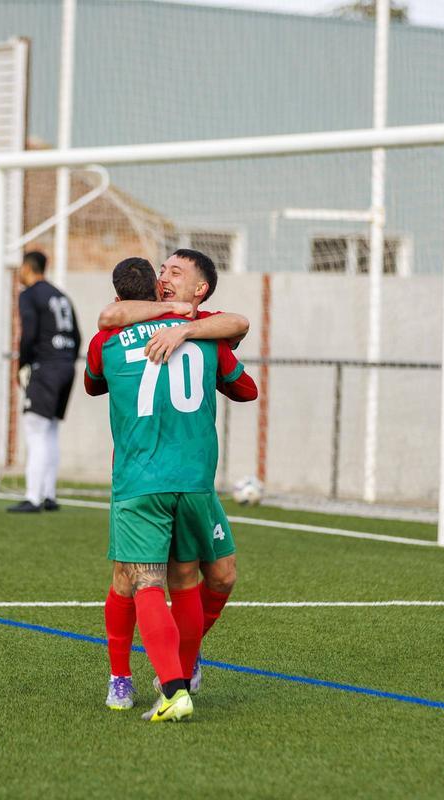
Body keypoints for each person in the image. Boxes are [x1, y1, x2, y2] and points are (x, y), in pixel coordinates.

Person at [84, 257, 257, 722]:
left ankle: (174, 680)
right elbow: (247, 389)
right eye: (162, 269)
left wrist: (185, 328)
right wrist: (186, 327)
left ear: (200, 289)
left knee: (158, 579)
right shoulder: (209, 340)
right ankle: (132, 676)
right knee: (166, 579)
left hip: (145, 481)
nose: (166, 274)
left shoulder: (110, 341)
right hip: (188, 481)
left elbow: (93, 378)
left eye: (176, 270)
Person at [8, 251, 81, 513]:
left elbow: (28, 333)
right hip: (66, 366)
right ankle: (49, 495)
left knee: (35, 429)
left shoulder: (29, 294)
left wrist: (22, 364)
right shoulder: (61, 295)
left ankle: (33, 497)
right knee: (50, 430)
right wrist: (66, 360)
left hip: (47, 367)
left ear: (27, 268)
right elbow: (78, 335)